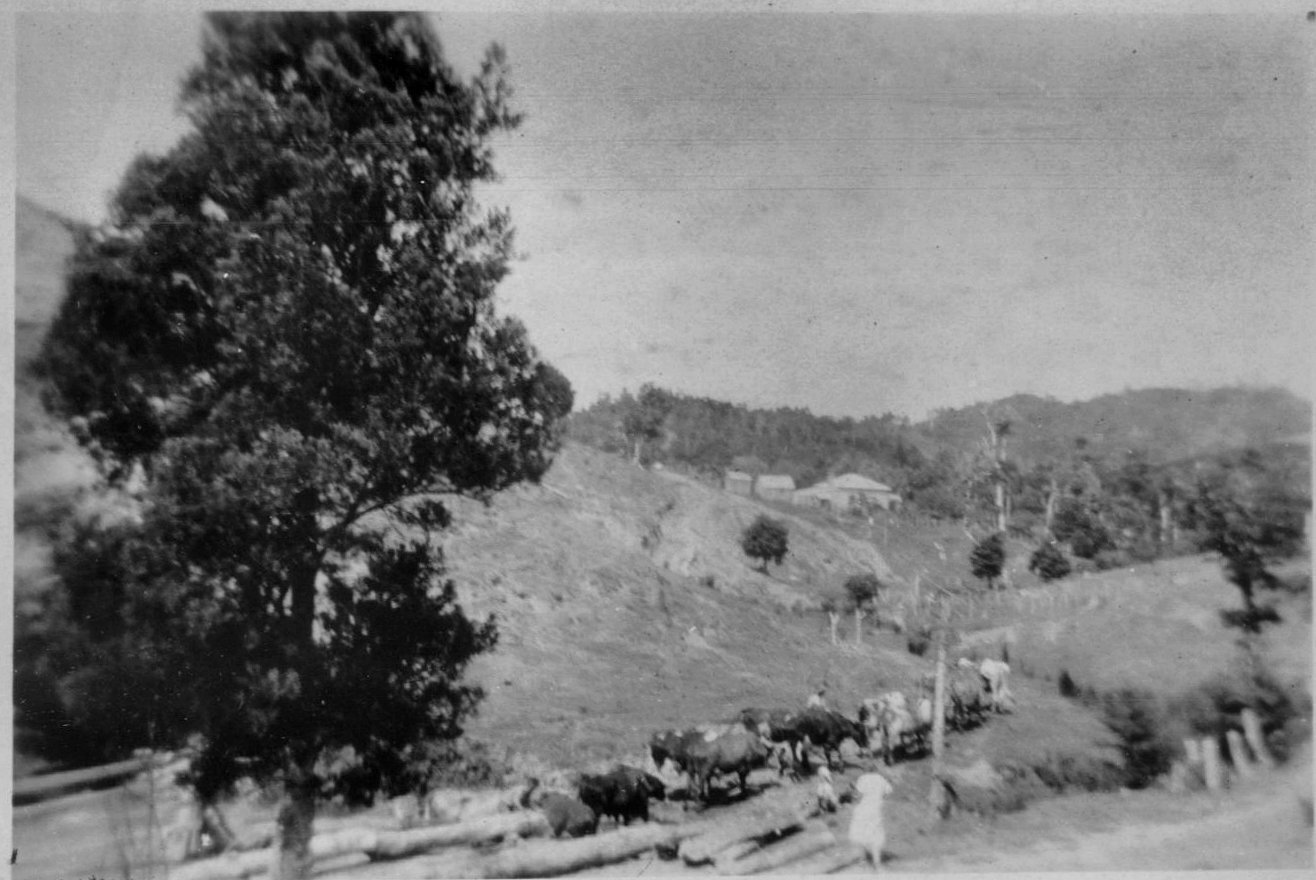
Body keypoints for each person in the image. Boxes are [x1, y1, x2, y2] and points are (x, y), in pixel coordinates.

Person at [848, 772, 894, 870]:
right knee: (876, 835)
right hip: (875, 810)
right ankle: (876, 862)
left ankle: (863, 859)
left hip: (863, 810)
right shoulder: (881, 779)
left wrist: (853, 788)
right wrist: (878, 798)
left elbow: (857, 796)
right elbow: (888, 792)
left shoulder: (862, 778)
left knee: (861, 834)